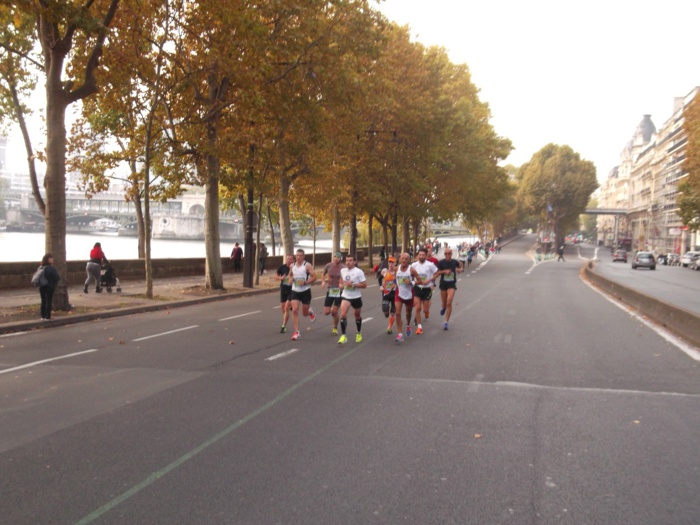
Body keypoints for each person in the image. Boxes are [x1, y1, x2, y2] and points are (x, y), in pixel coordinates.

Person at [394, 252, 424, 343]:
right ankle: (400, 334)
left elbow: (420, 281)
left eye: (406, 259)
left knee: (408, 313)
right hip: (399, 293)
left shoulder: (411, 270)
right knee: (398, 313)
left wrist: (412, 283)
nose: (404, 260)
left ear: (409, 260)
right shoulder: (396, 269)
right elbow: (394, 279)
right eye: (402, 258)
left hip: (409, 294)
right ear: (400, 259)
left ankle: (408, 325)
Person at [337, 253, 367, 344]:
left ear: (354, 262)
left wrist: (353, 285)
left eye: (350, 261)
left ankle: (358, 332)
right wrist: (341, 285)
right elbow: (341, 280)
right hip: (346, 296)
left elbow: (364, 285)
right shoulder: (343, 270)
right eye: (347, 260)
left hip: (356, 297)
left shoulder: (359, 272)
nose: (348, 262)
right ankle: (343, 335)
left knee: (357, 316)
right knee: (343, 315)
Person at [289, 249, 317, 340]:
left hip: (305, 290)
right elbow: (290, 275)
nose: (299, 257)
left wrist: (305, 282)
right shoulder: (292, 265)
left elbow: (315, 277)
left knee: (304, 313)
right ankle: (297, 332)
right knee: (294, 310)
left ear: (303, 257)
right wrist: (290, 280)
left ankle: (311, 312)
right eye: (297, 255)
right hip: (295, 290)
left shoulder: (307, 265)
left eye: (300, 255)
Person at [432, 248, 463, 330]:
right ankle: (443, 307)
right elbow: (437, 272)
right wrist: (444, 271)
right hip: (443, 284)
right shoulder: (441, 263)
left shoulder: (454, 262)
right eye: (446, 253)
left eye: (449, 253)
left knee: (449, 302)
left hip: (452, 284)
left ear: (451, 254)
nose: (447, 255)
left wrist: (460, 270)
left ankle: (446, 322)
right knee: (444, 303)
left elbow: (460, 267)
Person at [411, 247, 438, 335]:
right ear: (418, 255)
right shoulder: (414, 265)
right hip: (417, 288)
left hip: (427, 289)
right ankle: (419, 327)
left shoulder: (430, 265)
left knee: (425, 309)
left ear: (426, 255)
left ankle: (427, 312)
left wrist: (430, 282)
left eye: (423, 255)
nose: (421, 256)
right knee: (417, 307)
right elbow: (409, 274)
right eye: (420, 255)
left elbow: (437, 273)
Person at [321, 252, 346, 335]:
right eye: (334, 257)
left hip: (339, 292)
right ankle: (333, 311)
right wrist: (323, 281)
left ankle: (335, 328)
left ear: (341, 258)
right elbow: (323, 273)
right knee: (326, 312)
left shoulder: (344, 268)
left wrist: (343, 284)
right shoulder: (328, 265)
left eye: (338, 257)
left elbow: (347, 278)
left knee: (334, 312)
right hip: (330, 291)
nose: (336, 258)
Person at [38, 253, 61, 321]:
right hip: (49, 286)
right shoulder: (51, 268)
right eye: (51, 258)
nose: (52, 259)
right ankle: (48, 316)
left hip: (41, 286)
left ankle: (42, 316)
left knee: (43, 301)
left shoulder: (41, 267)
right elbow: (57, 277)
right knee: (49, 301)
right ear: (48, 259)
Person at [275, 254, 294, 333]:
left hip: (292, 290)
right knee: (283, 309)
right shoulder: (281, 267)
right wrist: (281, 278)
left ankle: (283, 326)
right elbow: (276, 276)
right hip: (283, 289)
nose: (289, 260)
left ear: (293, 260)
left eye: (290, 259)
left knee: (286, 307)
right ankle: (291, 308)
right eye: (288, 259)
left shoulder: (295, 268)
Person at [380, 256, 398, 334]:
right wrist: (381, 286)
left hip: (395, 294)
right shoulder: (384, 271)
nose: (391, 264)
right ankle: (386, 313)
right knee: (385, 310)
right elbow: (379, 278)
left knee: (393, 312)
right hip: (386, 293)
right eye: (389, 262)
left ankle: (390, 327)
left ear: (395, 263)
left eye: (392, 262)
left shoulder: (397, 272)